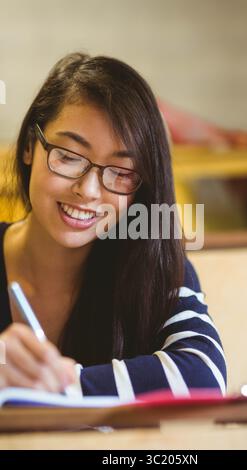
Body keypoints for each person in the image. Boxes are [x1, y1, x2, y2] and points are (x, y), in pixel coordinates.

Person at [0, 53, 226, 399]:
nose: (88, 191)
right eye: (69, 156)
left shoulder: (155, 265)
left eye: (120, 173)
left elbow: (204, 376)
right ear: (30, 145)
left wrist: (63, 385)